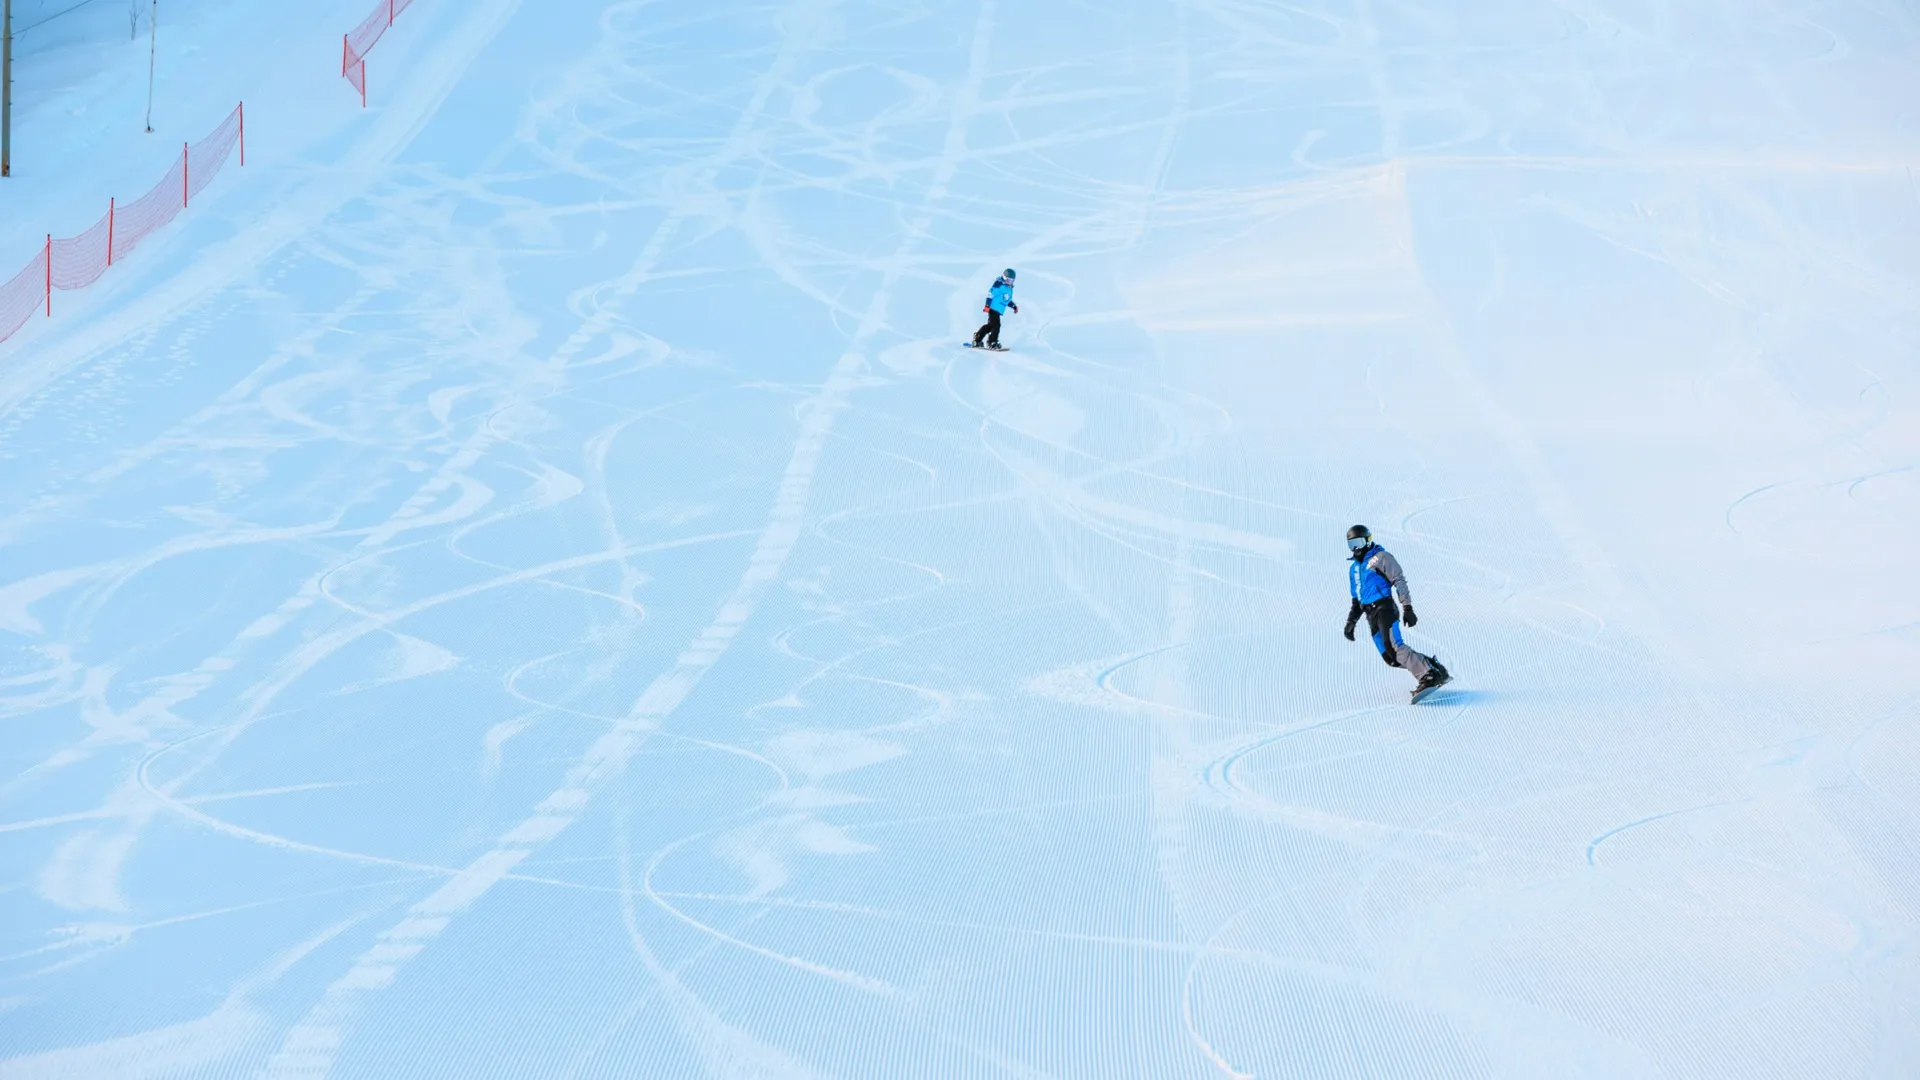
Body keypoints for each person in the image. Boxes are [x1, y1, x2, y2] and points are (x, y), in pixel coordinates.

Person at [1342, 524, 1451, 698]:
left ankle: (1427, 675)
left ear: (1368, 541)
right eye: (1351, 544)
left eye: (1358, 543)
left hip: (1384, 608)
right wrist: (1351, 623)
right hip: (1370, 615)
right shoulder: (1354, 569)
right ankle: (1431, 667)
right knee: (1390, 657)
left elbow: (1399, 580)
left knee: (1395, 647)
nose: (1355, 548)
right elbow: (1356, 600)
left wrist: (1407, 607)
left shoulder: (1381, 558)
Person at [970, 268, 1018, 350]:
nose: (1009, 282)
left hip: (998, 310)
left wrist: (1013, 306)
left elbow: (1007, 300)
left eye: (1011, 280)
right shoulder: (999, 285)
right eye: (1008, 280)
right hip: (992, 309)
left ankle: (978, 338)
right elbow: (990, 295)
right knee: (996, 326)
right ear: (1004, 277)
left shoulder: (1009, 289)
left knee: (990, 326)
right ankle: (992, 342)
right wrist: (987, 305)